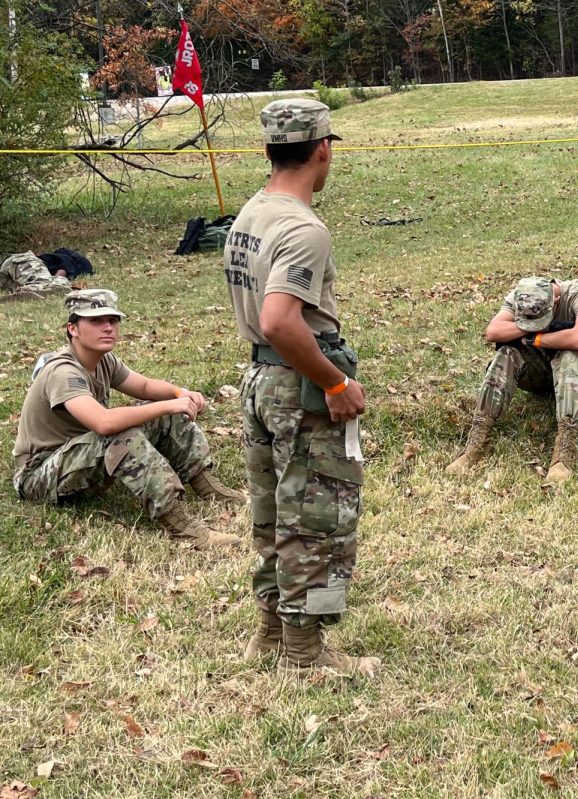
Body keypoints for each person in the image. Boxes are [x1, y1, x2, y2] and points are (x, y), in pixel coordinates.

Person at [225, 99, 380, 676]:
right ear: (322, 148)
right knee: (314, 513)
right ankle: (305, 655)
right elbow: (280, 320)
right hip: (297, 383)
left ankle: (269, 631)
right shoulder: (302, 227)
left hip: (261, 379)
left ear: (268, 150)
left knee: (271, 507)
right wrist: (335, 381)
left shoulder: (250, 214)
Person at [12, 290, 243, 549]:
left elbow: (144, 386)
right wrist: (169, 404)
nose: (108, 328)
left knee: (165, 414)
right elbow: (104, 423)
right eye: (97, 321)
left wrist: (180, 394)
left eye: (112, 320)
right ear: (73, 329)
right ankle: (185, 528)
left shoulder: (103, 360)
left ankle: (207, 485)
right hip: (39, 474)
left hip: (77, 454)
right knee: (123, 437)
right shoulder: (62, 371)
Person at [448, 277, 578, 482]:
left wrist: (532, 338)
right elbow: (492, 332)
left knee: (569, 354)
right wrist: (531, 327)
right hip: (545, 369)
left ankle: (565, 449)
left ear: (554, 302)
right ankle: (478, 441)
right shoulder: (521, 296)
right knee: (506, 353)